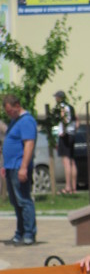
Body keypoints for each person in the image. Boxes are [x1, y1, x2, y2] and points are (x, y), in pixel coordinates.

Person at [0, 94, 37, 245]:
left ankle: (29, 233)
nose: (9, 114)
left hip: (19, 167)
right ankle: (19, 232)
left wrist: (23, 167)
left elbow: (29, 144)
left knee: (23, 200)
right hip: (11, 167)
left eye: (10, 111)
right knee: (16, 202)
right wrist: (5, 165)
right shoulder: (15, 121)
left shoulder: (26, 121)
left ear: (17, 105)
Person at [54, 90, 79, 194]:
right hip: (72, 134)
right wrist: (74, 130)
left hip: (65, 135)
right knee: (72, 161)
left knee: (66, 161)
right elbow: (77, 121)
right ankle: (74, 187)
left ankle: (68, 187)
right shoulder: (71, 107)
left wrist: (63, 131)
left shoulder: (62, 107)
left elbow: (63, 118)